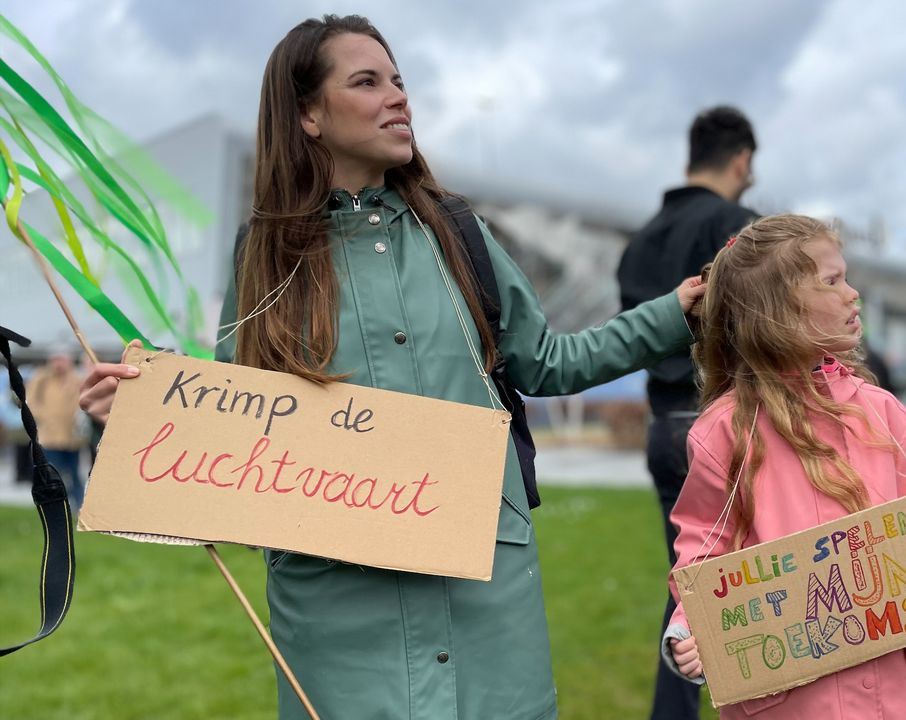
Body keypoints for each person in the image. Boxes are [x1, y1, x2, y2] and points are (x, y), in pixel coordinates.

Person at [78, 14, 705, 720]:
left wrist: (674, 312)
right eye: (367, 82)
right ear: (309, 114)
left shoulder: (458, 233)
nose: (398, 97)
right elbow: (240, 428)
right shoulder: (264, 258)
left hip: (484, 589)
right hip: (334, 608)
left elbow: (548, 363)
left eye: (399, 80)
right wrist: (146, 407)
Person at [661, 215, 906, 719]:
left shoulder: (883, 412)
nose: (853, 294)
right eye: (833, 281)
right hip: (789, 703)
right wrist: (691, 628)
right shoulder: (725, 430)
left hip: (889, 696)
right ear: (779, 309)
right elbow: (703, 550)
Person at [617, 105, 758, 720]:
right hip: (725, 425)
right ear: (743, 161)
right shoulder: (737, 227)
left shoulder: (640, 240)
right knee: (767, 590)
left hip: (664, 428)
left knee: (691, 592)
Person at [27, 348, 86, 510]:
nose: (58, 364)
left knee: (74, 474)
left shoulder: (77, 378)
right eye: (55, 359)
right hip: (50, 437)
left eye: (62, 359)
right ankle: (55, 507)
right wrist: (45, 417)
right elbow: (30, 401)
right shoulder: (42, 378)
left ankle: (79, 507)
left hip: (73, 437)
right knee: (52, 475)